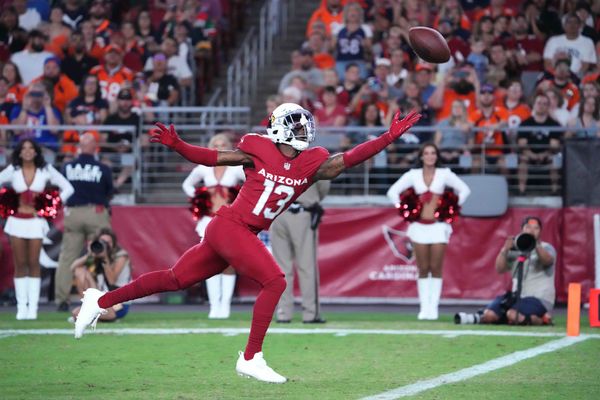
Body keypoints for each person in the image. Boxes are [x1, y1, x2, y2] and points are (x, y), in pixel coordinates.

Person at [73, 103, 421, 383]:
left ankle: (100, 298)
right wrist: (178, 146)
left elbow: (348, 158)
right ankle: (252, 357)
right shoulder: (256, 147)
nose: (305, 131)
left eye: (305, 126)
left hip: (242, 232)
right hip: (230, 225)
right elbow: (213, 158)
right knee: (275, 280)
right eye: (297, 126)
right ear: (281, 128)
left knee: (175, 279)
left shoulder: (313, 162)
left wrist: (387, 137)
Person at [386, 143, 470, 320]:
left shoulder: (445, 174)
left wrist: (453, 207)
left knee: (436, 267)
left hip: (439, 226)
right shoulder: (413, 175)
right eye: (426, 153)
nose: (430, 156)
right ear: (421, 156)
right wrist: (403, 209)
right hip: (419, 227)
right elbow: (392, 192)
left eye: (433, 153)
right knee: (423, 268)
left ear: (437, 156)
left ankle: (434, 308)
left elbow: (465, 190)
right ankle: (424, 309)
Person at [0, 139, 74, 320]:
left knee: (33, 263)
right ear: (19, 152)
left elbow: (68, 188)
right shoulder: (13, 170)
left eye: (30, 148)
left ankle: (32, 308)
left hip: (35, 222)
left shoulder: (45, 170)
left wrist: (50, 204)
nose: (27, 151)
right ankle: (21, 308)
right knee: (20, 264)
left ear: (35, 151)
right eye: (23, 148)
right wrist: (8, 201)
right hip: (16, 221)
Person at [181, 133, 245, 319]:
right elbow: (187, 184)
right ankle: (214, 305)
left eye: (222, 144)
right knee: (209, 260)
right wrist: (201, 196)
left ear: (228, 146)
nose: (218, 147)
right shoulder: (204, 167)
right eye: (215, 144)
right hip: (208, 219)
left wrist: (236, 197)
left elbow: (252, 183)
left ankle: (225, 305)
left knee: (228, 261)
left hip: (230, 220)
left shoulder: (236, 167)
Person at [457, 217, 555, 325]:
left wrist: (535, 244)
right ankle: (521, 318)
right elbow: (499, 269)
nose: (531, 231)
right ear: (522, 230)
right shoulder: (517, 248)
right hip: (516, 297)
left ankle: (542, 320)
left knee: (513, 314)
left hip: (539, 298)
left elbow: (547, 261)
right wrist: (505, 250)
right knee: (489, 315)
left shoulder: (546, 247)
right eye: (528, 227)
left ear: (540, 232)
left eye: (536, 228)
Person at [55, 133, 113, 312]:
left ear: (79, 147)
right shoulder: (102, 168)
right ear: (95, 147)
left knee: (67, 257)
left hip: (73, 212)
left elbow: (61, 188)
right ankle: (107, 296)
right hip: (95, 211)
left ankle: (62, 300)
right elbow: (109, 191)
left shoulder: (67, 167)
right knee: (102, 253)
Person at [271, 180, 330, 324]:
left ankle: (283, 313)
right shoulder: (314, 156)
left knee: (281, 269)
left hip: (277, 212)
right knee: (307, 266)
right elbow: (324, 184)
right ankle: (311, 314)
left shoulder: (275, 156)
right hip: (302, 212)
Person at [70, 227, 132, 322]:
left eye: (108, 242)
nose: (106, 245)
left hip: (118, 304)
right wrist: (89, 254)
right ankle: (94, 312)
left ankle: (104, 316)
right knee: (80, 271)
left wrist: (105, 258)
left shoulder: (121, 256)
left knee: (77, 314)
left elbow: (112, 281)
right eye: (103, 242)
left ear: (114, 244)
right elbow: (73, 268)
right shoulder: (97, 254)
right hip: (103, 298)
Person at [517, 93, 562, 194]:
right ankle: (521, 191)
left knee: (554, 161)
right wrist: (532, 155)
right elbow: (522, 144)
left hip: (548, 154)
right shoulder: (525, 123)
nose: (541, 106)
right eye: (539, 103)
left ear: (548, 107)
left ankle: (554, 192)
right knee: (523, 161)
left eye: (544, 104)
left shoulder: (554, 124)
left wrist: (544, 154)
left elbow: (554, 146)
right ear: (533, 105)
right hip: (528, 154)